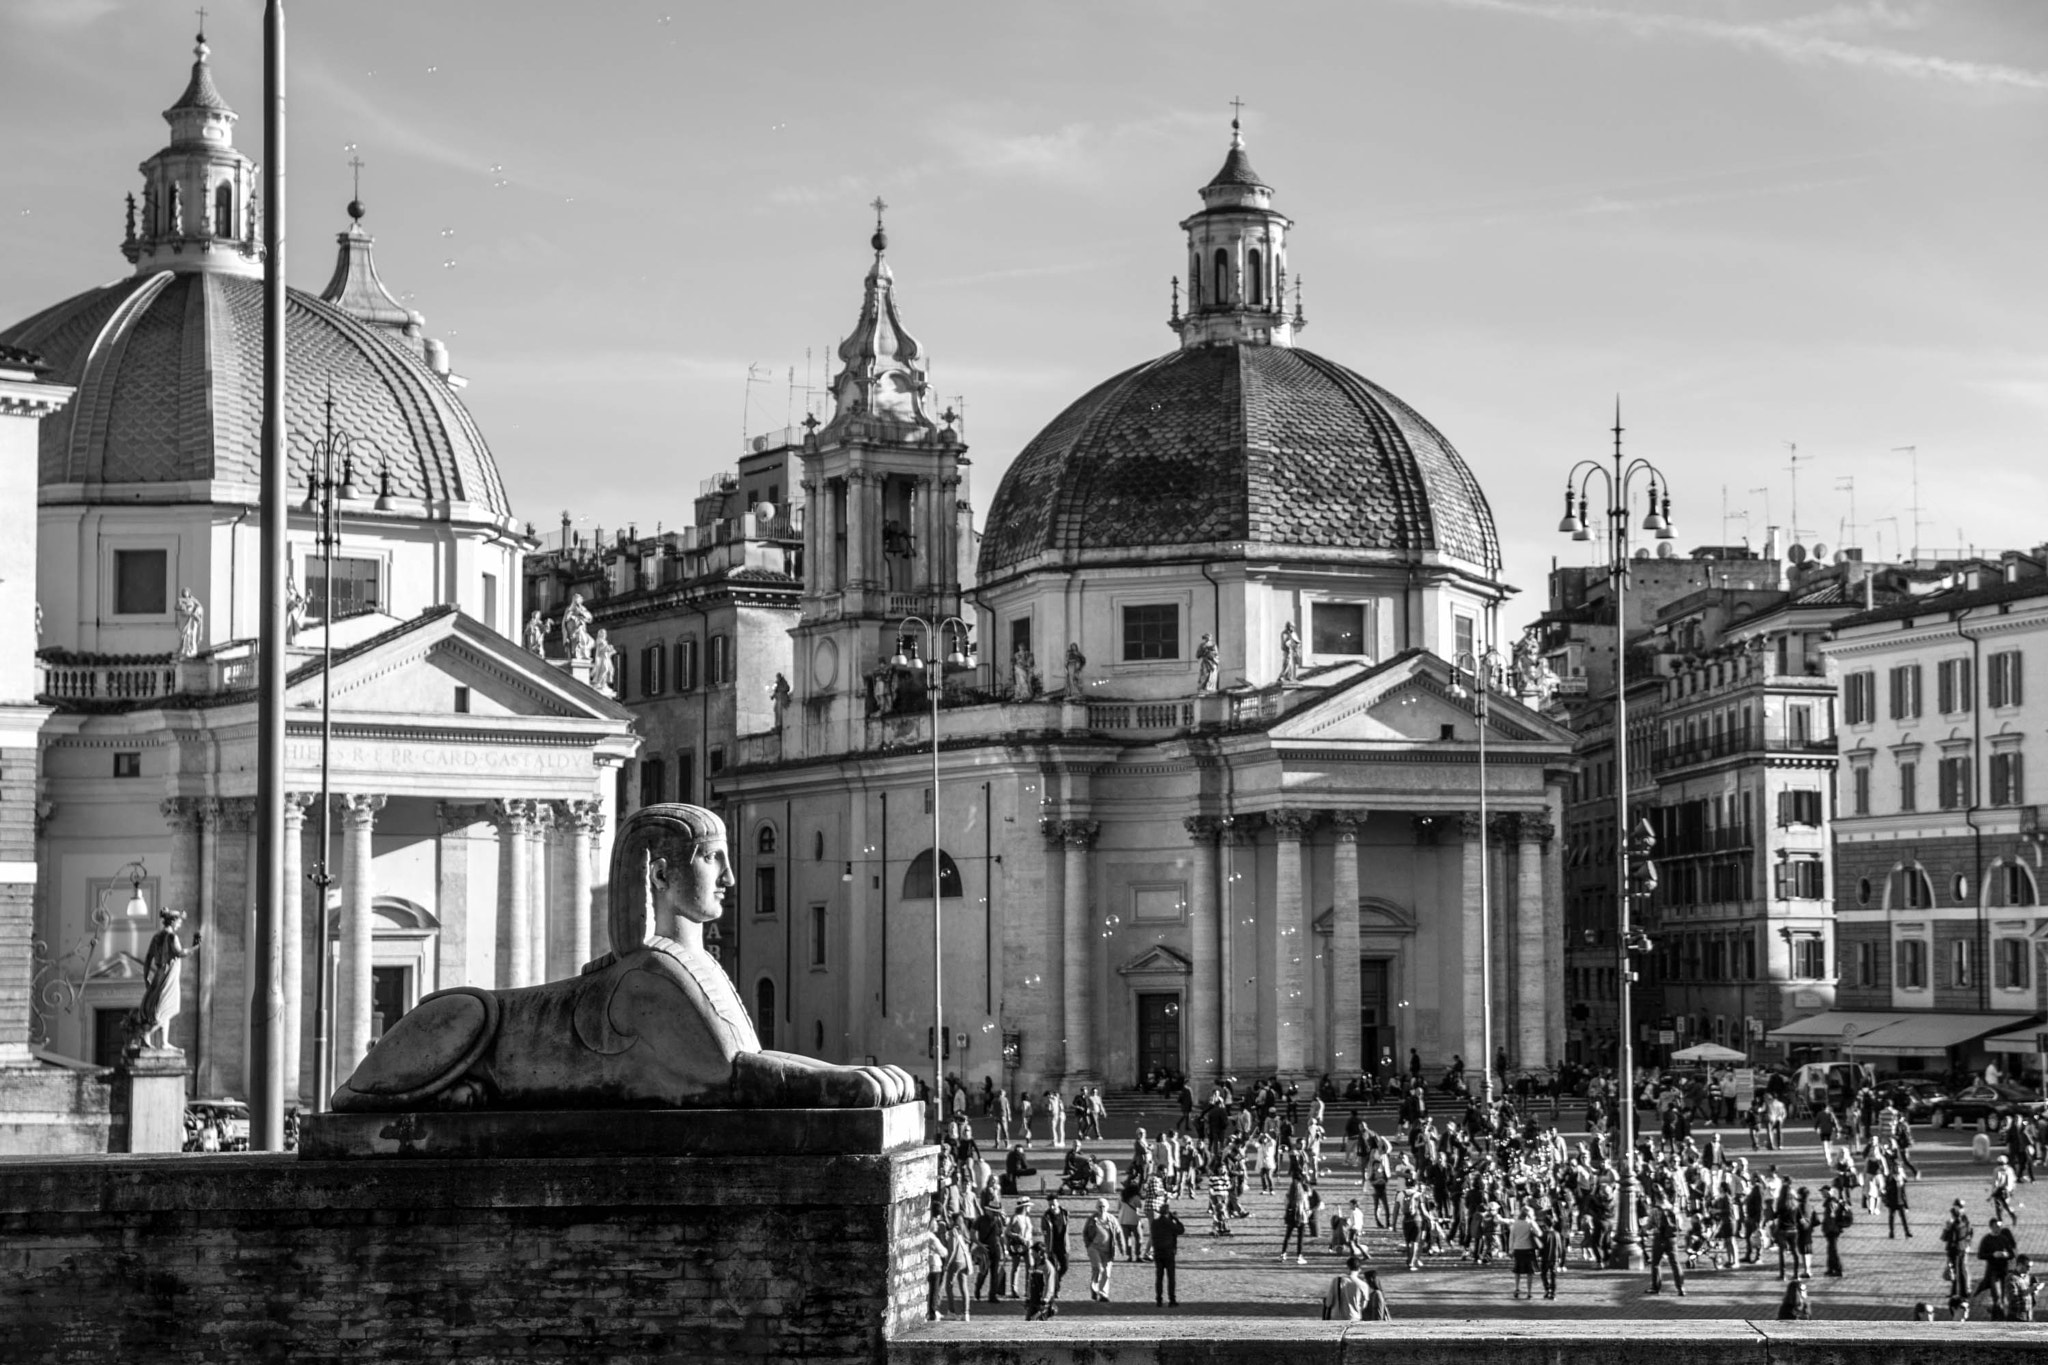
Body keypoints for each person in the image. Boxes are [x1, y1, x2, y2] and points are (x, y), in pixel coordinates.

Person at [132, 908, 201, 1051]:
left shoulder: (156, 937)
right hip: (169, 975)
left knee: (166, 1008)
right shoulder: (171, 937)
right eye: (179, 922)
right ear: (174, 921)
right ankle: (145, 1035)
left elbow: (148, 958)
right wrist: (195, 947)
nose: (180, 925)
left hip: (159, 973)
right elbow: (180, 953)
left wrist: (146, 977)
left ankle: (164, 1042)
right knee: (164, 1007)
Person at [1082, 1197, 1122, 1302]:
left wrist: (1122, 1247)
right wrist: (1088, 1245)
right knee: (1099, 1269)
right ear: (1097, 1207)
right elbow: (1085, 1233)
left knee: (1107, 1273)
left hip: (1108, 1250)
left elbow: (1118, 1233)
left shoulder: (1112, 1219)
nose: (1102, 1208)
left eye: (1103, 1206)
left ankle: (1103, 1294)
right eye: (1100, 1206)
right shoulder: (1092, 1219)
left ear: (1107, 1207)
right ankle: (1094, 1289)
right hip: (1094, 1248)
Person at [1647, 1197, 1686, 1297]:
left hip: (1659, 1237)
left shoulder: (1655, 1210)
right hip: (1671, 1239)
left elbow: (1649, 1225)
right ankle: (1681, 1287)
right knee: (1675, 1263)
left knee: (1656, 1263)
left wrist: (1644, 1228)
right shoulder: (1674, 1209)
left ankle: (1656, 1287)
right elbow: (1680, 1226)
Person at [1150, 1200, 1185, 1307]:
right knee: (1171, 1277)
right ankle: (1172, 1299)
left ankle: (1159, 1299)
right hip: (1168, 1252)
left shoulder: (1154, 1223)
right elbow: (1181, 1230)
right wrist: (1176, 1219)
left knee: (1159, 1277)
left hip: (1157, 1251)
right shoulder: (1169, 1223)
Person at [1042, 1193, 1070, 1304]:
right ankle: (1056, 1290)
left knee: (1065, 1266)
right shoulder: (1046, 1216)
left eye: (1053, 1204)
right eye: (1050, 1205)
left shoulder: (1065, 1213)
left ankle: (1057, 1280)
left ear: (1057, 1202)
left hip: (1063, 1246)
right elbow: (1044, 1230)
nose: (1052, 1207)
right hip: (1052, 1246)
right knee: (1053, 1268)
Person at [1507, 1201, 1539, 1300]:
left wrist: (1510, 1249)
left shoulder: (1515, 1223)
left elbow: (1511, 1237)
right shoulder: (1530, 1223)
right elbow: (1538, 1233)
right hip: (1529, 1248)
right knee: (1530, 1272)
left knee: (1518, 1271)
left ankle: (1517, 1288)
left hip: (1518, 1248)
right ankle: (1529, 1292)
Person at [1322, 1255, 1368, 1320]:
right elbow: (1363, 1305)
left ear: (1348, 1266)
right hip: (1354, 1317)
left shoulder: (1336, 1280)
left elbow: (1329, 1302)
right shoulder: (1363, 1285)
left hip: (1336, 1317)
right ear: (1359, 1269)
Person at [1942, 1200, 1973, 1293]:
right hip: (1956, 1248)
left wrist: (1968, 1245)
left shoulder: (1963, 1220)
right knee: (1956, 1270)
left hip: (1960, 1248)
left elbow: (1969, 1233)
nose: (1959, 1209)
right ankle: (1955, 1291)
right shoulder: (1956, 1219)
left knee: (1962, 1269)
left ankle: (1965, 1290)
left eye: (1960, 1207)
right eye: (1957, 1207)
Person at [1883, 1162, 1912, 1239]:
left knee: (1903, 1218)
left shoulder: (1901, 1178)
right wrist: (1887, 1200)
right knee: (1892, 1217)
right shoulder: (1890, 1178)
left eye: (1899, 1168)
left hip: (1900, 1201)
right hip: (1892, 1201)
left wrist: (1906, 1205)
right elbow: (1887, 1190)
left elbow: (1903, 1192)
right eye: (1896, 1167)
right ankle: (1891, 1232)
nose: (1897, 1169)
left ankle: (1907, 1232)